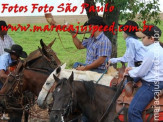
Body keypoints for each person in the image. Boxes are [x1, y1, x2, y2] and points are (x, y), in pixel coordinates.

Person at [124, 25, 163, 122]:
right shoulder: (158, 49)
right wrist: (132, 68)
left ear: (152, 38)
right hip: (157, 81)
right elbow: (147, 68)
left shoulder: (152, 52)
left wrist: (130, 72)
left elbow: (142, 72)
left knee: (133, 111)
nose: (142, 40)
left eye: (143, 37)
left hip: (151, 85)